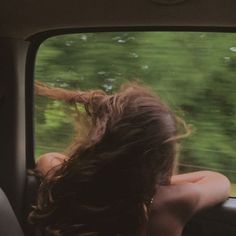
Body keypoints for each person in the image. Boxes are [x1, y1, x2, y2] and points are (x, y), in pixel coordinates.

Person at [30, 82, 230, 236]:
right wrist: (158, 184)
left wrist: (96, 169)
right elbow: (220, 181)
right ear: (161, 160)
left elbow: (48, 159)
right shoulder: (170, 202)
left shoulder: (64, 183)